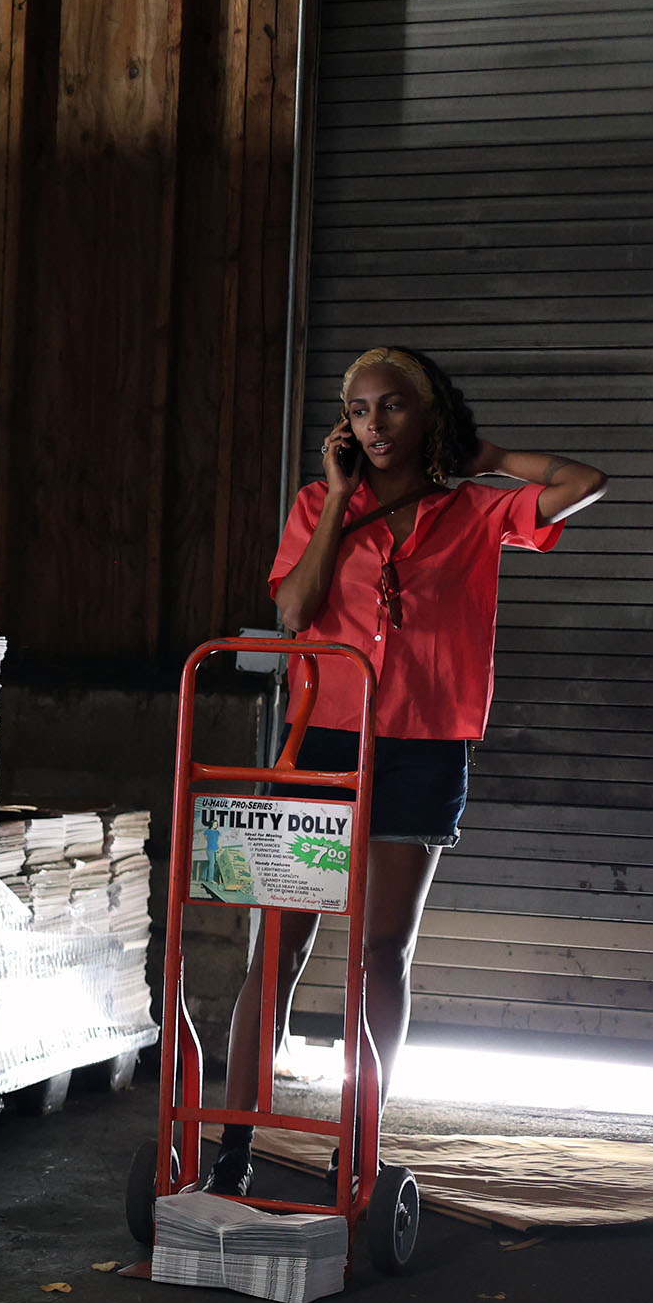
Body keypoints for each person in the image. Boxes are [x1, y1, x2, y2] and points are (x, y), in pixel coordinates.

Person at [206, 345, 608, 1193]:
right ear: (342, 425)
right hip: (320, 740)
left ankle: (359, 1148)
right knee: (277, 949)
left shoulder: (473, 511)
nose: (374, 423)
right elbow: (292, 607)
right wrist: (341, 499)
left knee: (380, 952)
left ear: (426, 415)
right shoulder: (322, 503)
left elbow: (584, 481)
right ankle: (232, 1150)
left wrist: (491, 458)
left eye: (391, 407)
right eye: (358, 409)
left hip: (423, 747)